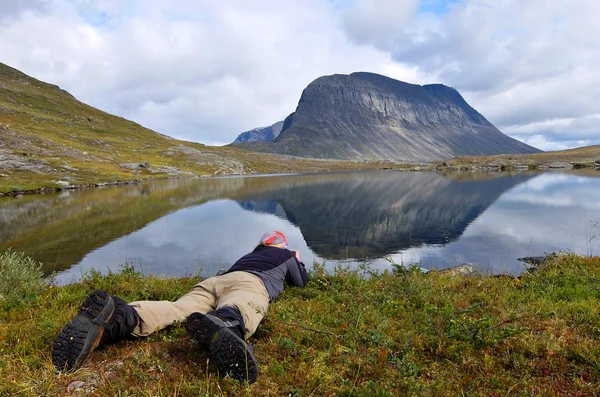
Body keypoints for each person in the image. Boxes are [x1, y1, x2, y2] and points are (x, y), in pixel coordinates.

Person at [51, 230, 308, 383]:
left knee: (177, 308)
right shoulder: (285, 255)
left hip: (215, 281)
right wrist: (297, 259)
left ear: (262, 244)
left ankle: (120, 317)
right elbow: (300, 281)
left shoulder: (250, 254)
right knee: (241, 304)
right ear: (281, 245)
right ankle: (227, 323)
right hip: (251, 283)